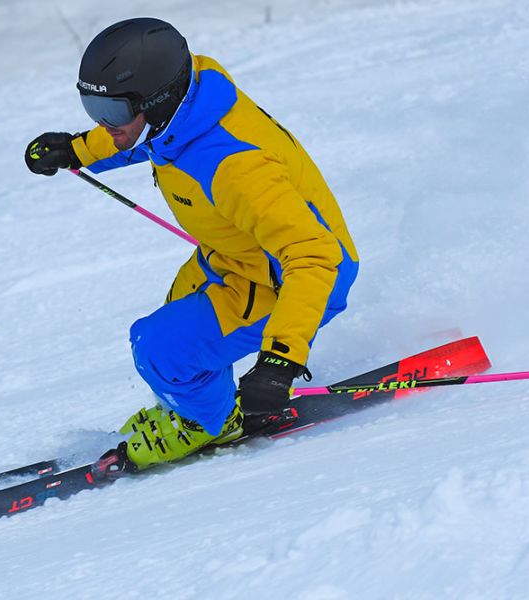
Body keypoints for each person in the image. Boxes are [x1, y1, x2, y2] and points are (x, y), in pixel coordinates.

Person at [24, 17, 359, 471]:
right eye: (91, 108)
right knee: (177, 329)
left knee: (160, 347)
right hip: (235, 257)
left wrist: (281, 360)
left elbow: (314, 256)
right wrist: (77, 150)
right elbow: (146, 138)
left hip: (292, 278)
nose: (105, 125)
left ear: (156, 101)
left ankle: (209, 423)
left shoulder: (236, 167)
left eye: (114, 113)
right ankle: (201, 403)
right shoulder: (185, 109)